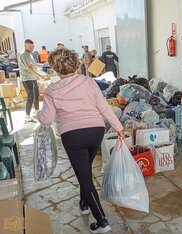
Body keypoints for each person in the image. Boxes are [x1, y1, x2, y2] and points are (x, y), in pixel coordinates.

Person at [37, 48, 125, 234]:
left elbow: (46, 119)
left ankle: (102, 222)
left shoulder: (52, 90)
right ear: (76, 63)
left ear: (55, 68)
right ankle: (84, 203)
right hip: (96, 131)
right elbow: (104, 107)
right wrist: (119, 128)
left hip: (73, 136)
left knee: (84, 178)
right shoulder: (89, 82)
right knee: (85, 171)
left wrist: (38, 113)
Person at [18, 39, 47, 123]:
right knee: (30, 96)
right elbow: (29, 68)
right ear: (25, 45)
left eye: (32, 46)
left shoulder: (30, 54)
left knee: (36, 94)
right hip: (27, 79)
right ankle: (27, 116)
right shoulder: (23, 55)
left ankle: (37, 111)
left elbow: (34, 65)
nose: (31, 48)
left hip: (33, 78)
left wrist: (45, 64)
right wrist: (40, 75)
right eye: (30, 46)